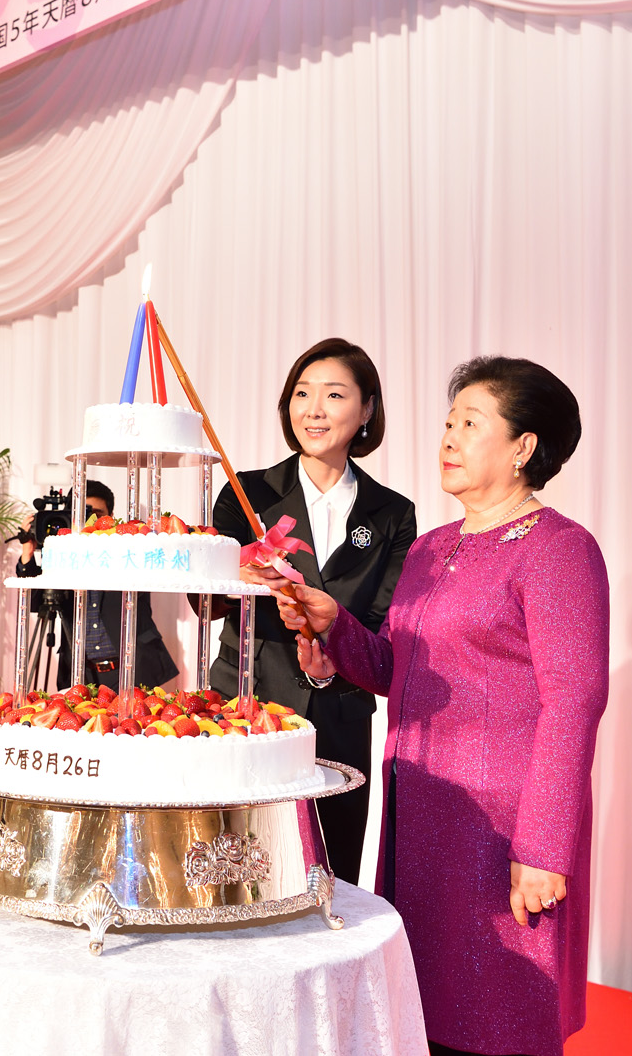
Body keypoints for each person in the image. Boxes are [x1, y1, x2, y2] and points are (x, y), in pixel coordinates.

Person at [270, 355, 609, 1056]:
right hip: (422, 814)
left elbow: (575, 702)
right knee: (421, 1019)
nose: (448, 439)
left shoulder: (558, 550)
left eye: (471, 424)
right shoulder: (431, 548)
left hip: (503, 830)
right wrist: (333, 624)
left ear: (524, 447)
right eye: (448, 422)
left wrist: (545, 847)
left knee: (500, 1016)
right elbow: (398, 669)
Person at [206, 338, 417, 885]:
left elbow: (380, 625)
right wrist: (237, 576)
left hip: (340, 716)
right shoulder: (246, 494)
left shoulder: (392, 514)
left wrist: (334, 638)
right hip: (246, 708)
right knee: (233, 875)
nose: (313, 409)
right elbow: (206, 602)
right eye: (302, 393)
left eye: (334, 395)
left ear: (367, 409)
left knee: (330, 884)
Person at [15, 479, 178, 692]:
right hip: (79, 672)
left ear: (111, 517)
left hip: (131, 669)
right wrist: (29, 551)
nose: (91, 522)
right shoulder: (62, 556)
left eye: (98, 515)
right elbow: (36, 603)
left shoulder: (129, 548)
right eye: (83, 515)